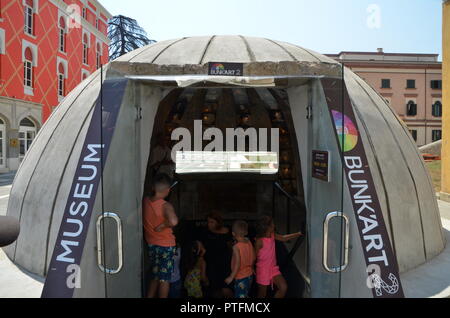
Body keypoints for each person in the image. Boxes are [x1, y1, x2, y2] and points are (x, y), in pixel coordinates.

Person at [143, 173, 178, 298]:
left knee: (155, 273)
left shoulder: (146, 201)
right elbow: (173, 221)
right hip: (166, 246)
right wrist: (163, 226)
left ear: (153, 187)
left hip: (152, 244)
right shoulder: (165, 205)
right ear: (168, 190)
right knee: (164, 278)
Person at [255, 215, 302, 298]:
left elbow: (284, 238)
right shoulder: (259, 241)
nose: (274, 225)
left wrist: (298, 233)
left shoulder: (272, 235)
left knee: (283, 287)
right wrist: (250, 267)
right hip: (263, 270)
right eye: (272, 224)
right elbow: (254, 256)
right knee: (262, 294)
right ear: (268, 227)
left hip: (273, 268)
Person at [196, 211, 234, 298]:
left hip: (225, 266)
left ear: (218, 222)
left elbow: (232, 248)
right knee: (215, 291)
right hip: (212, 266)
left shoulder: (228, 232)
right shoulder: (205, 233)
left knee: (226, 290)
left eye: (212, 222)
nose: (209, 224)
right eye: (208, 222)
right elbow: (200, 249)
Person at [225, 220, 256, 298]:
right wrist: (252, 268)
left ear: (233, 234)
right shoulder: (248, 241)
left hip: (240, 277)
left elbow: (237, 263)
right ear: (246, 232)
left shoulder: (236, 247)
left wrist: (231, 277)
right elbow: (253, 257)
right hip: (249, 275)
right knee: (245, 293)